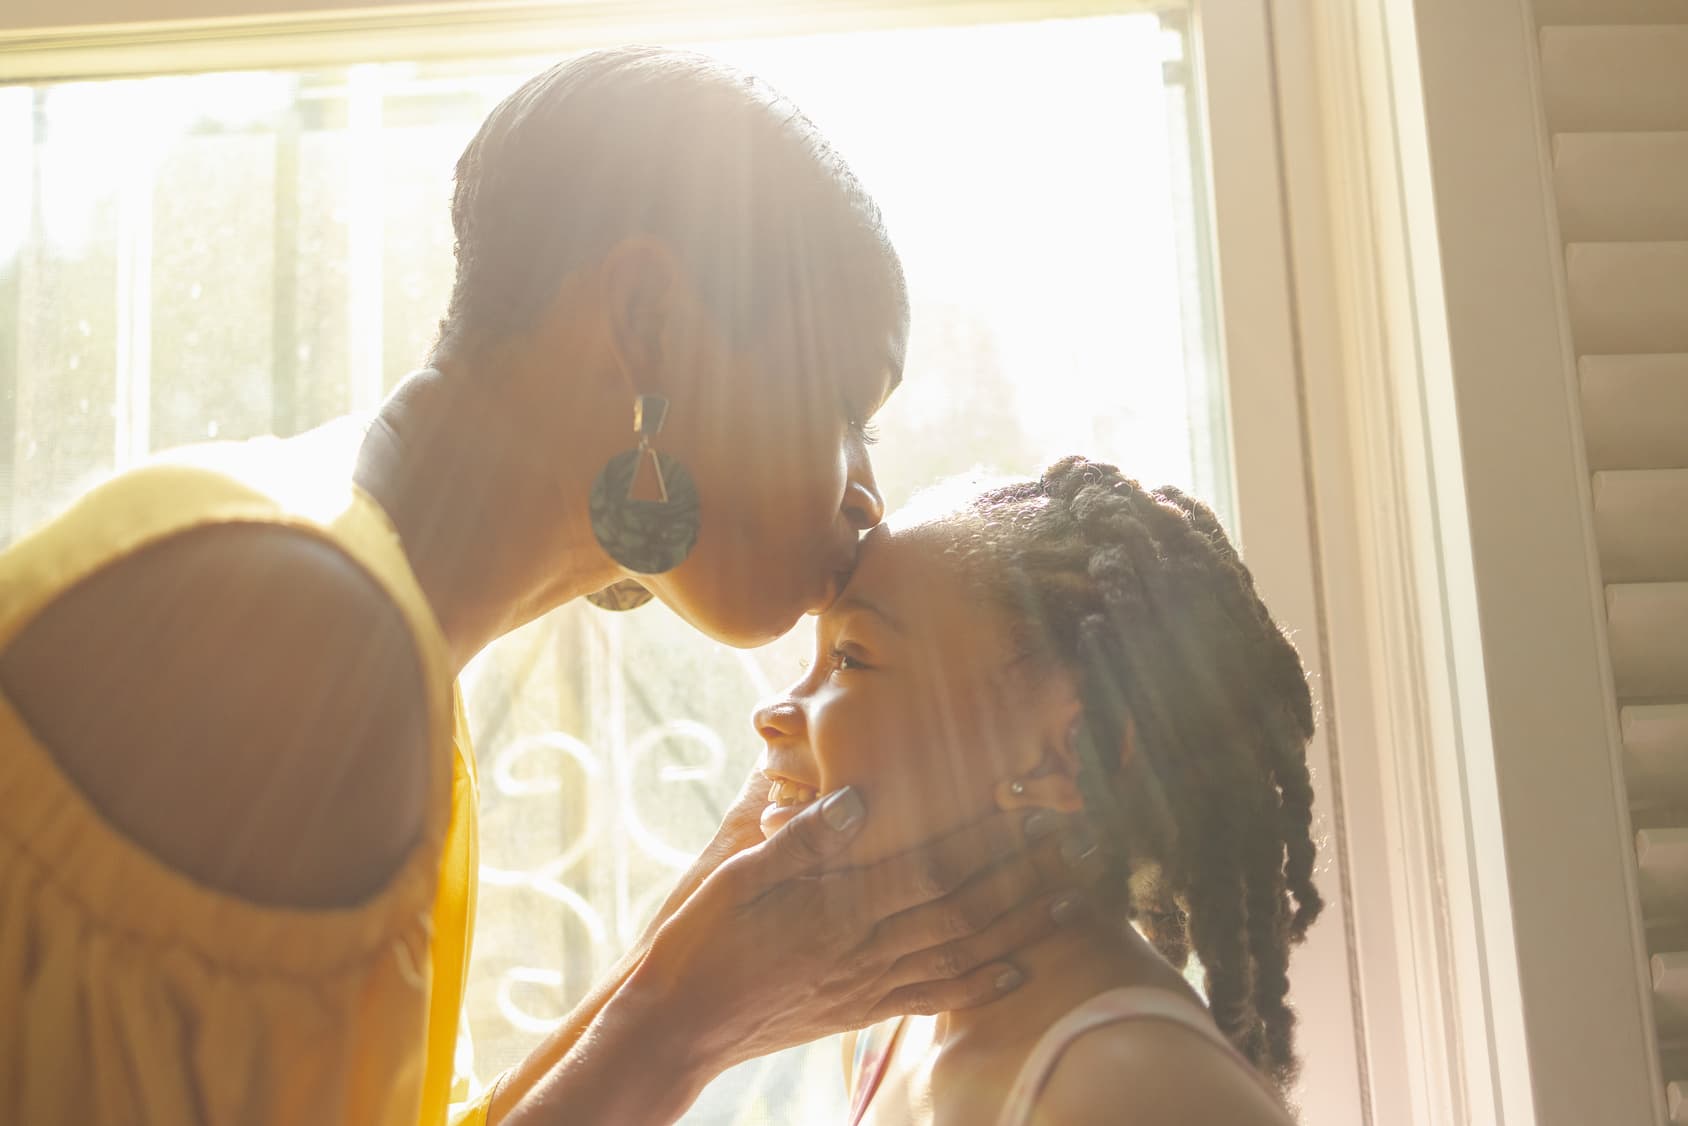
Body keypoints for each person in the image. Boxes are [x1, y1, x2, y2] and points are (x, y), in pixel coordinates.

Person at [0, 48, 1093, 1126]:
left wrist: (680, 965)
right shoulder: (294, 627)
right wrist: (684, 1023)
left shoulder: (376, 632)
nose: (866, 496)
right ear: (647, 321)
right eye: (845, 407)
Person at [750, 457, 1322, 1125]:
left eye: (850, 658)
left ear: (1067, 754)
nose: (775, 711)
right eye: (811, 662)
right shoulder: (890, 1030)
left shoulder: (1137, 1089)